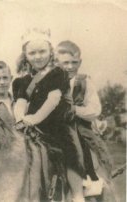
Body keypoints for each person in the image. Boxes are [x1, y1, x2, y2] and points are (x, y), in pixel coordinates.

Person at [13, 28, 85, 202]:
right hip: (31, 125)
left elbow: (53, 100)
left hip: (56, 124)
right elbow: (20, 102)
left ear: (50, 52)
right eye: (32, 53)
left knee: (70, 150)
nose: (38, 57)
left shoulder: (57, 74)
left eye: (42, 51)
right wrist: (20, 119)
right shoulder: (22, 80)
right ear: (25, 55)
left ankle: (77, 194)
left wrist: (34, 119)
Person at [55, 40, 113, 196]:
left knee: (80, 143)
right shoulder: (50, 80)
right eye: (65, 62)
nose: (70, 66)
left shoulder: (84, 81)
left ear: (80, 62)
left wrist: (74, 110)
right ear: (56, 62)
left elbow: (95, 109)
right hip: (53, 126)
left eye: (74, 62)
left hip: (77, 125)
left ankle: (90, 179)